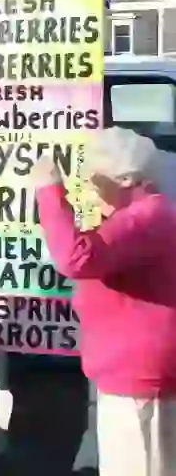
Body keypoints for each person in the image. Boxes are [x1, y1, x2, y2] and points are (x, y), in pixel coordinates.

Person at [34, 126, 176, 475]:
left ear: (125, 179)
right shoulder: (140, 216)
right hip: (128, 377)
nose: (87, 187)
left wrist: (49, 192)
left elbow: (75, 258)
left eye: (94, 178)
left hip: (138, 381)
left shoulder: (145, 219)